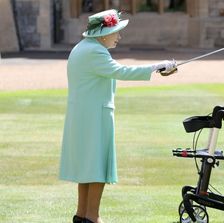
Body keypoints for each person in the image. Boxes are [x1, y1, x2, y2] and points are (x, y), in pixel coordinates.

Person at [59, 9, 176, 223]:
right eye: (116, 32)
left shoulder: (83, 48)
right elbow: (122, 72)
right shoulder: (95, 51)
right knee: (97, 168)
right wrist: (157, 67)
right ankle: (93, 218)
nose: (118, 36)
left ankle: (82, 215)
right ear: (103, 33)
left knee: (88, 167)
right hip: (94, 117)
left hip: (84, 116)